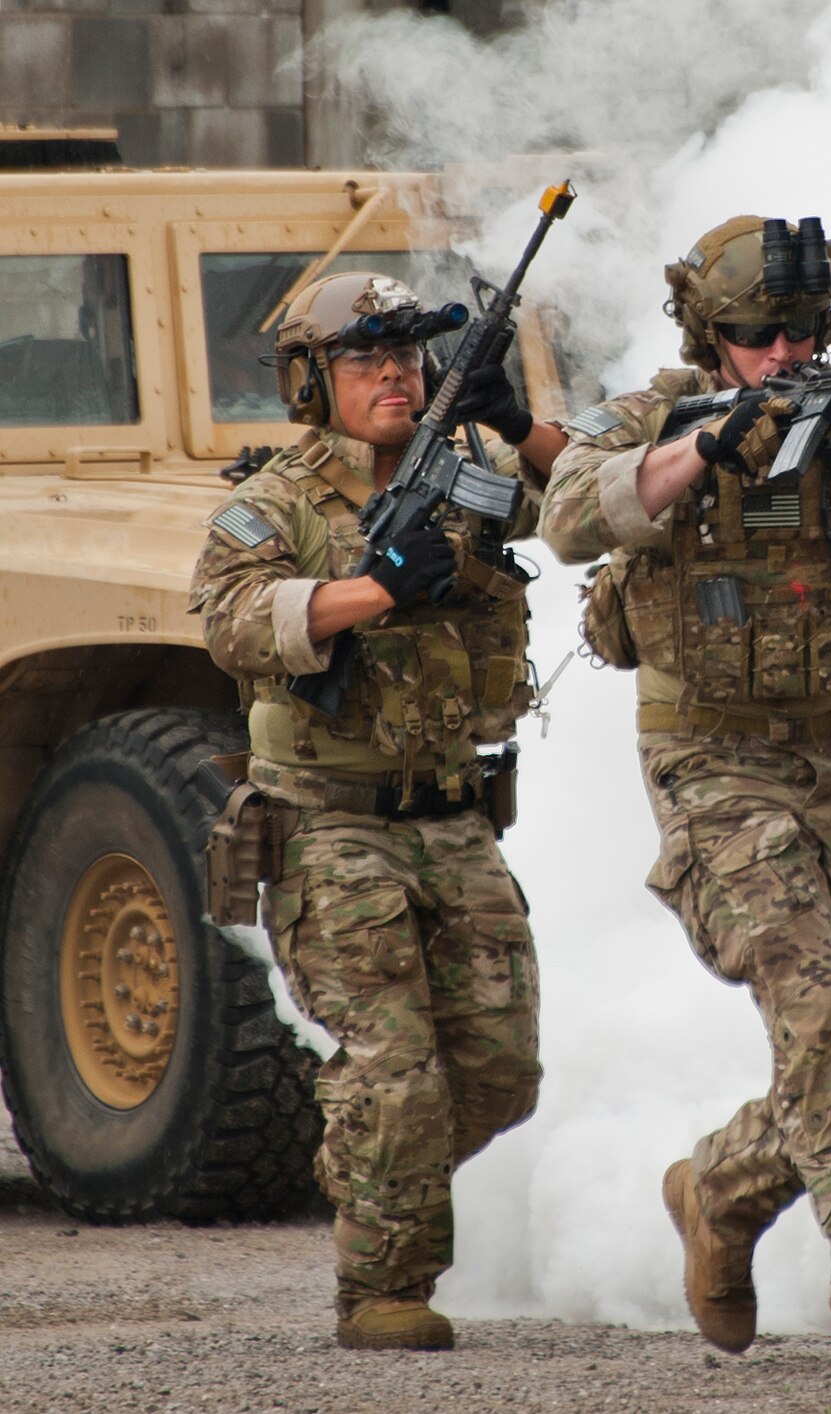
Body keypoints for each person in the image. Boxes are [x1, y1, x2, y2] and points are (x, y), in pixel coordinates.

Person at [540, 216, 831, 1378]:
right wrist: (706, 447)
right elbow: (569, 517)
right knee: (821, 1015)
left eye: (799, 330)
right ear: (709, 333)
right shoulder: (651, 415)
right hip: (708, 760)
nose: (782, 352)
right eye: (754, 334)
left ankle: (721, 1190)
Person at [188, 271, 566, 1351]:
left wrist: (515, 423)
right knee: (394, 1072)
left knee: (499, 1072)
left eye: (407, 355)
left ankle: (367, 1168)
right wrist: (375, 588)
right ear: (314, 381)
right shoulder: (278, 500)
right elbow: (229, 618)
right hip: (328, 818)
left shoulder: (470, 472)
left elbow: (587, 505)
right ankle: (383, 1288)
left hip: (451, 811)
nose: (395, 374)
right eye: (366, 358)